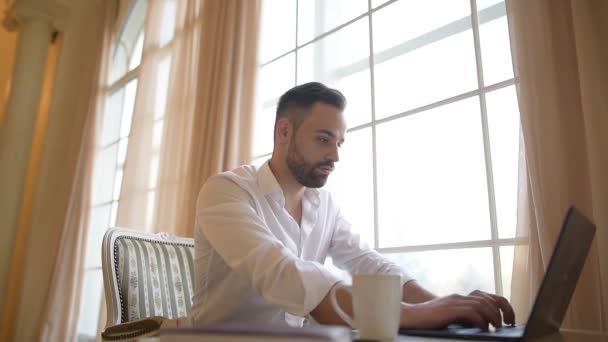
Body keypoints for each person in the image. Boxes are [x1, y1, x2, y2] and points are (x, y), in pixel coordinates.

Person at [188, 82, 515, 330]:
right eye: (323, 139)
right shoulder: (225, 191)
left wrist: (442, 305)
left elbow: (370, 264)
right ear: (284, 131)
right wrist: (414, 314)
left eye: (339, 142)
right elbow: (281, 273)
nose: (335, 155)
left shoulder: (323, 204)